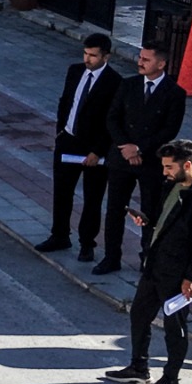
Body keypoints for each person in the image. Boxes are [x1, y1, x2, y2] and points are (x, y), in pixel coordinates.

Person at [103, 138, 192, 384]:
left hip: (178, 274)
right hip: (156, 264)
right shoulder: (171, 186)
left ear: (187, 165)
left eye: (169, 167)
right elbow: (164, 220)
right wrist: (148, 220)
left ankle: (171, 380)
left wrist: (191, 277)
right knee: (140, 314)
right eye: (163, 167)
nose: (165, 172)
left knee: (175, 327)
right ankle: (139, 367)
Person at [97, 42, 187, 276]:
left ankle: (148, 257)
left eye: (146, 59)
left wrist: (139, 148)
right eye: (140, 57)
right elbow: (112, 118)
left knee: (149, 212)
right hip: (121, 159)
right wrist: (125, 147)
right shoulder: (128, 85)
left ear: (161, 63)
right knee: (115, 208)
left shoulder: (175, 93)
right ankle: (111, 256)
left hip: (150, 163)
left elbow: (169, 130)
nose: (140, 62)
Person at [40, 33, 119, 262]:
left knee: (92, 198)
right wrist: (60, 132)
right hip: (68, 139)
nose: (88, 59)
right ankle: (59, 235)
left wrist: (98, 150)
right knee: (62, 192)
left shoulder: (114, 82)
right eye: (86, 53)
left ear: (106, 56)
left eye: (93, 56)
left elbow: (111, 119)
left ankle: (87, 243)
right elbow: (66, 101)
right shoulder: (75, 71)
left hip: (94, 148)